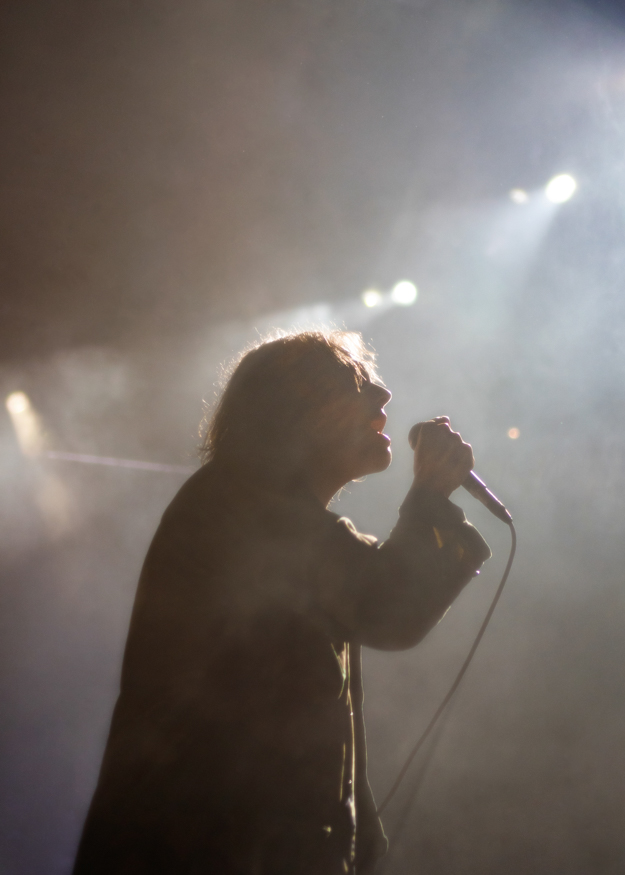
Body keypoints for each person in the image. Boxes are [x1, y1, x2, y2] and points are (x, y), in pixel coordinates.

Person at [72, 329, 490, 875]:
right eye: (357, 380)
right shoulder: (239, 505)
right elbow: (387, 607)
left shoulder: (270, 513)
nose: (385, 397)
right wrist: (430, 495)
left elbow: (378, 596)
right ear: (295, 411)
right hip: (205, 847)